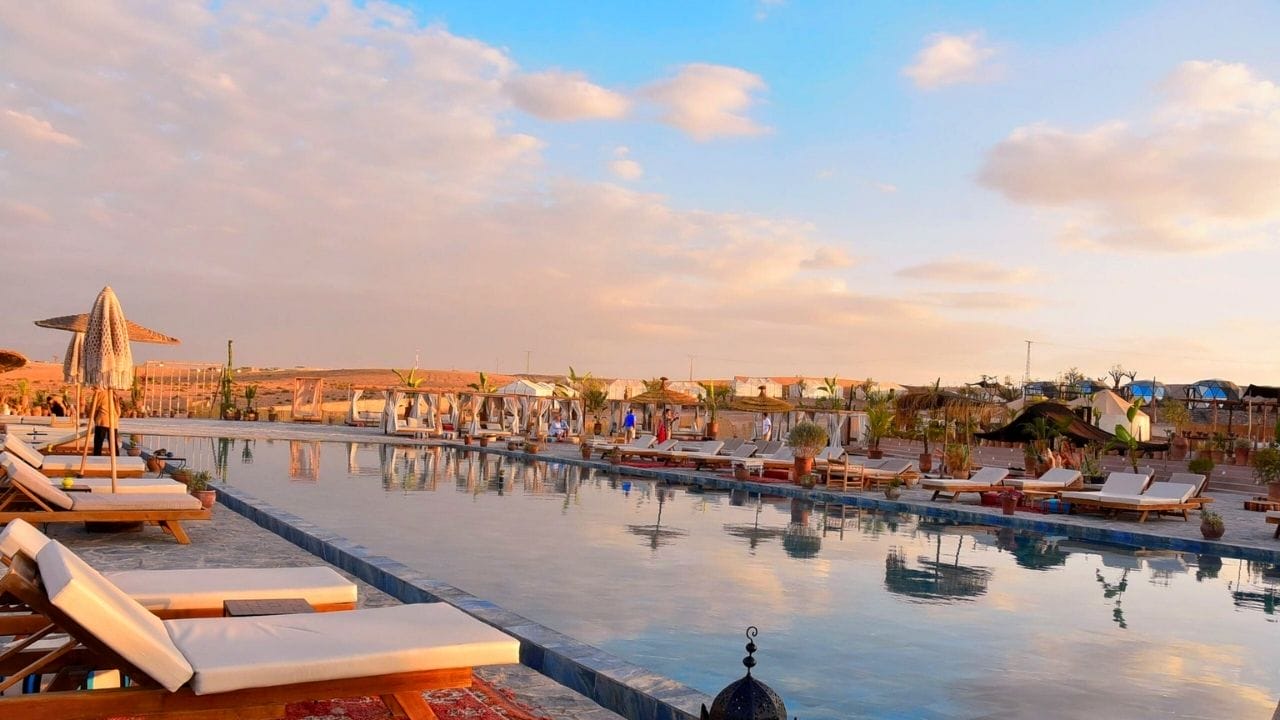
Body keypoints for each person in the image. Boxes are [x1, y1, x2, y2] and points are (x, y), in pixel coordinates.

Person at [91, 387, 120, 456]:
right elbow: (118, 411)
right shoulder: (113, 393)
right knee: (113, 444)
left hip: (102, 420)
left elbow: (95, 407)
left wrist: (94, 417)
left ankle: (96, 460)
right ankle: (117, 459)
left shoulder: (100, 393)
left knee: (98, 444)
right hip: (113, 421)